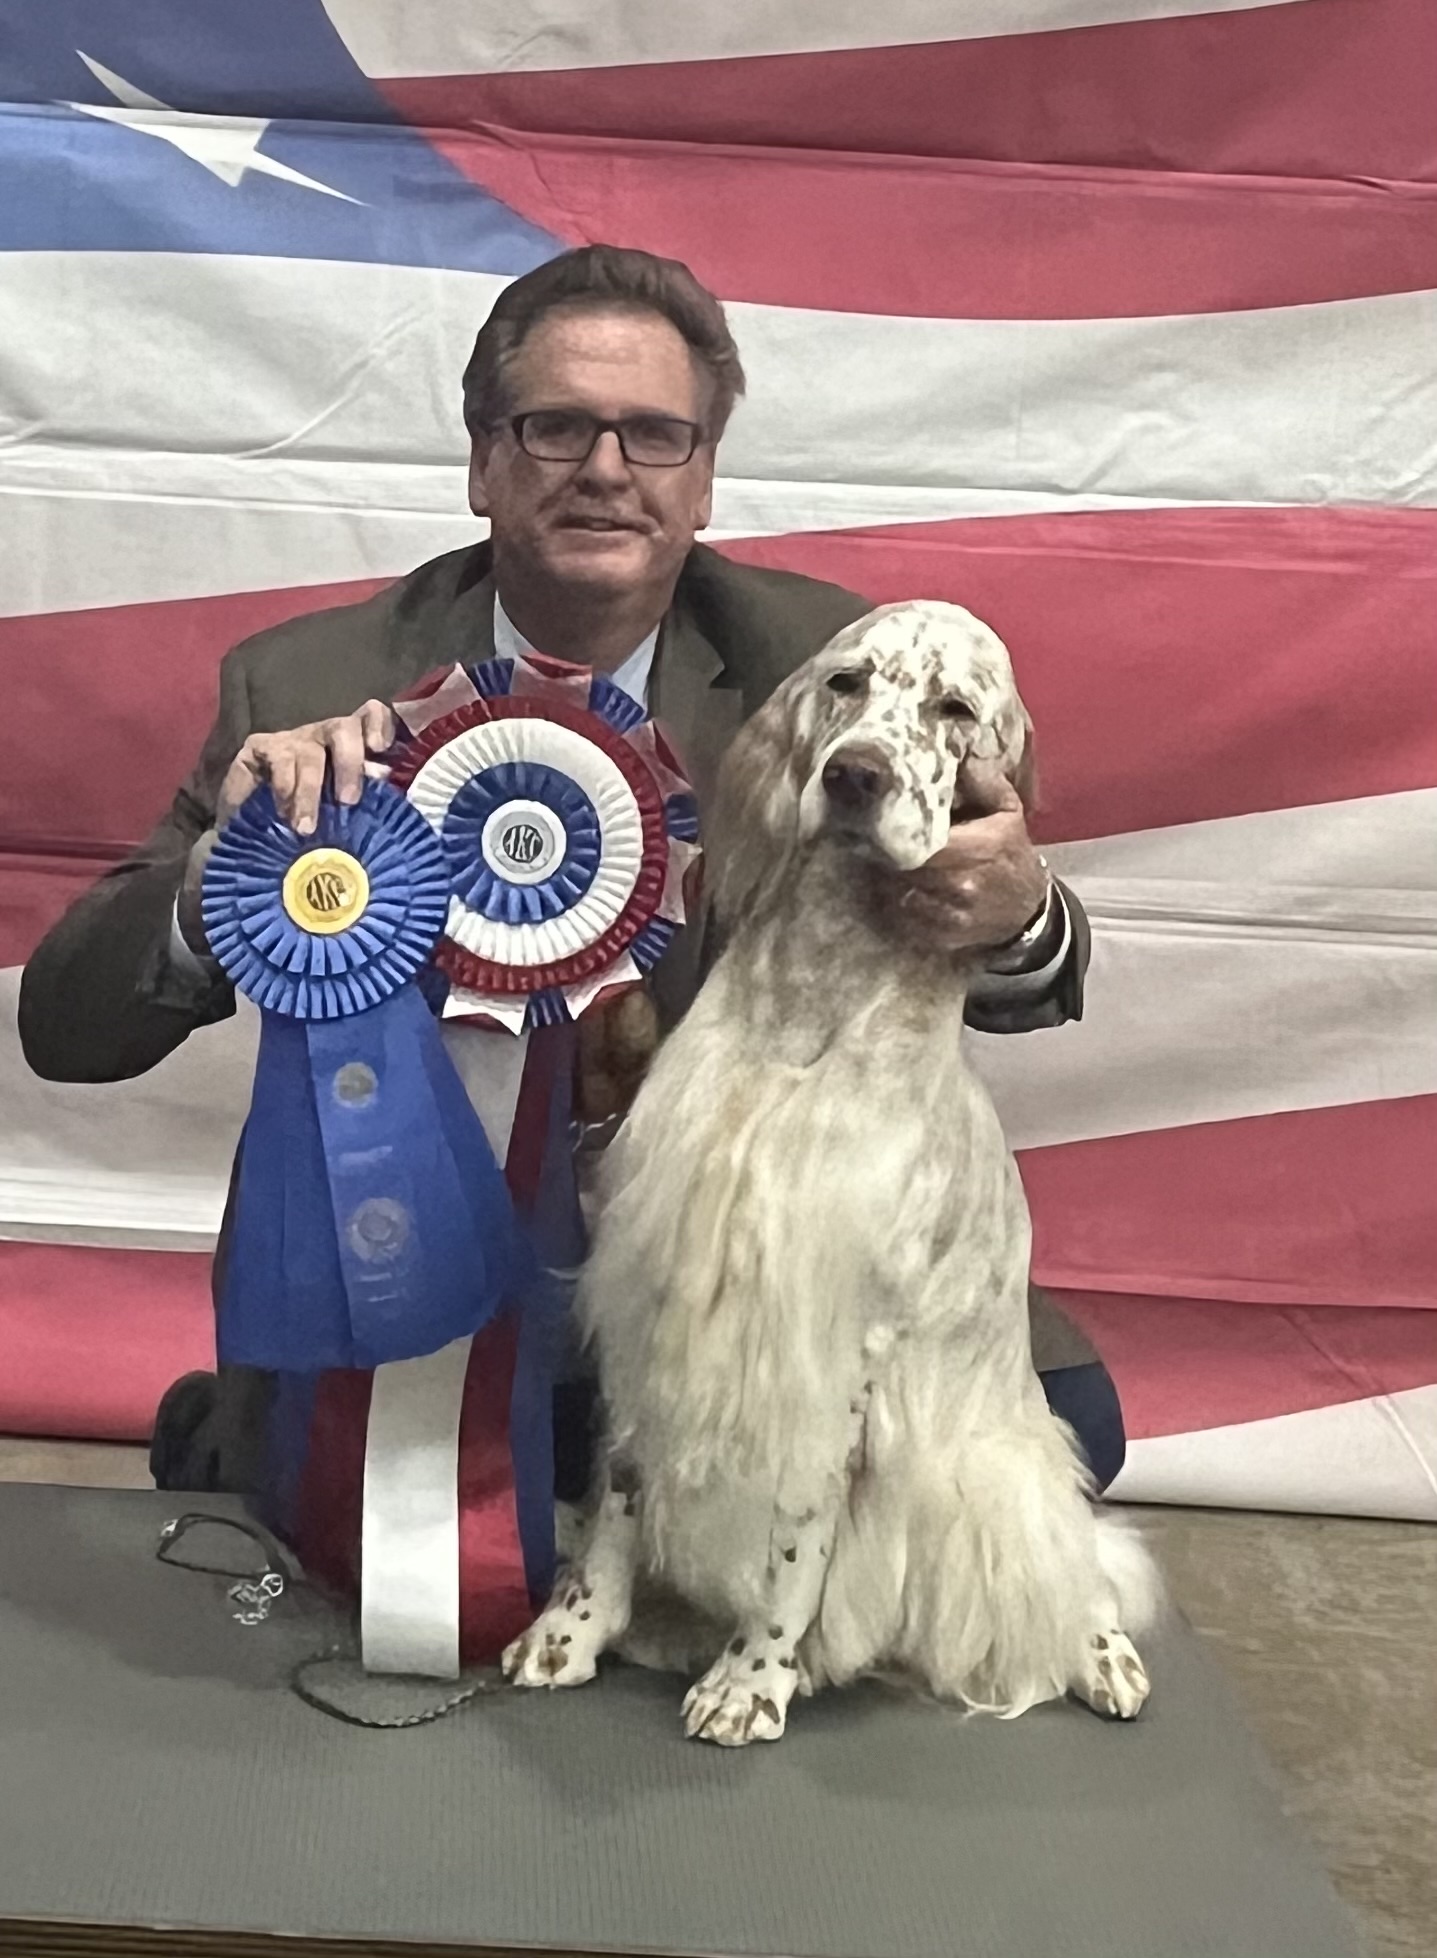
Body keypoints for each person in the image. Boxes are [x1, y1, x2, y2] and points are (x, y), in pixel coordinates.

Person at [19, 245, 1125, 1501]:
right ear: (483, 463)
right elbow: (69, 1031)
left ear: (703, 480)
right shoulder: (312, 680)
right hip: (417, 1282)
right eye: (556, 428)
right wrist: (227, 873)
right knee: (347, 1494)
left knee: (1061, 1433)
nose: (606, 468)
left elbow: (1027, 979)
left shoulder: (835, 667)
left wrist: (1016, 909)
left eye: (654, 434)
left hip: (751, 1268)